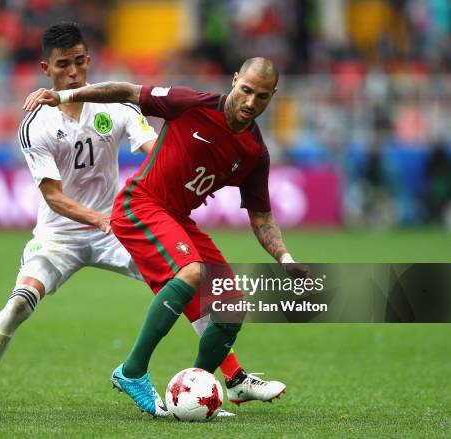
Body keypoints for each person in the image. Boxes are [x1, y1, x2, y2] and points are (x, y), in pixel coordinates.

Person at [0, 22, 262, 417]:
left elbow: (157, 150)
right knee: (19, 305)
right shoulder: (35, 124)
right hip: (59, 235)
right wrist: (99, 219)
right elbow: (53, 197)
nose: (74, 72)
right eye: (64, 65)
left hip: (114, 229)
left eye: (80, 62)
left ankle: (232, 378)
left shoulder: (115, 108)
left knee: (185, 279)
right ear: (47, 68)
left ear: (89, 61)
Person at [26, 57, 309, 416]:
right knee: (190, 273)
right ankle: (131, 372)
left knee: (231, 304)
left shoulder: (255, 152)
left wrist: (285, 258)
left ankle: (200, 387)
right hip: (140, 205)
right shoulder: (191, 102)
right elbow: (127, 91)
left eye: (262, 96)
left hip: (176, 217)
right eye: (246, 90)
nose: (251, 102)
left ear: (273, 97)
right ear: (235, 80)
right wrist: (66, 97)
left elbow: (261, 215)